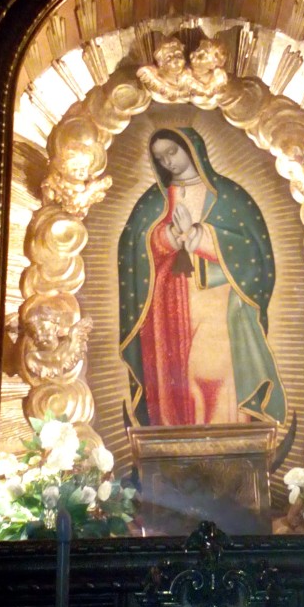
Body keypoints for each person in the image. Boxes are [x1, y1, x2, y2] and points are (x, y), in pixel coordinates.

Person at [118, 127, 286, 427]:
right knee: (178, 378)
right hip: (168, 307)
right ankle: (178, 444)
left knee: (211, 372)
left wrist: (202, 236)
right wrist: (165, 237)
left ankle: (228, 442)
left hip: (218, 302)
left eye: (173, 151)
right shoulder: (152, 202)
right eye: (160, 157)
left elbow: (253, 251)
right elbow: (131, 251)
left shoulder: (229, 196)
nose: (168, 161)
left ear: (192, 148)